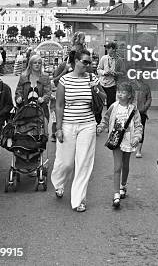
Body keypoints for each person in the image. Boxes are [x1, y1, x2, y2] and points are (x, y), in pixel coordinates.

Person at [51, 49, 100, 212]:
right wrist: (58, 128)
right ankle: (58, 182)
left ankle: (78, 199)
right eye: (85, 62)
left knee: (84, 163)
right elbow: (59, 105)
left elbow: (103, 99)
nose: (88, 65)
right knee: (66, 162)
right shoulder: (65, 80)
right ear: (76, 62)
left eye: (90, 62)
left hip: (87, 124)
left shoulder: (92, 78)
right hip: (68, 124)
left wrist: (96, 88)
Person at [97, 81, 142, 208]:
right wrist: (101, 126)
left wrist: (137, 137)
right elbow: (106, 118)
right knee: (117, 167)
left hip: (129, 140)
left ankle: (123, 185)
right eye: (119, 92)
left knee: (125, 165)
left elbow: (138, 125)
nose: (120, 94)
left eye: (123, 92)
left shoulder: (133, 109)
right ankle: (116, 194)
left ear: (129, 95)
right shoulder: (113, 106)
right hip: (116, 139)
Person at [15, 54, 51, 123]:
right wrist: (18, 97)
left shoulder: (45, 77)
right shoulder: (24, 76)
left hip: (41, 110)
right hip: (25, 109)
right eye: (35, 63)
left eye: (39, 63)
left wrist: (43, 98)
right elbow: (19, 90)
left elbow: (48, 92)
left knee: (42, 131)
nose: (37, 65)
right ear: (30, 64)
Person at [97, 42, 124, 108]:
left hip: (112, 85)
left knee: (111, 105)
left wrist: (115, 73)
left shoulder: (119, 60)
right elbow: (98, 69)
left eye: (108, 48)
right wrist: (104, 72)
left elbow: (123, 73)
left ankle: (110, 118)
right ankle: (99, 118)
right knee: (99, 104)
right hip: (102, 84)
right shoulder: (104, 58)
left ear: (113, 49)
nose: (107, 49)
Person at [134, 76, 152, 158]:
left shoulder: (146, 87)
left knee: (141, 130)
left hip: (142, 112)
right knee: (130, 129)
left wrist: (145, 107)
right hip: (131, 112)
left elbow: (149, 98)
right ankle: (131, 146)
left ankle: (139, 150)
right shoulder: (131, 85)